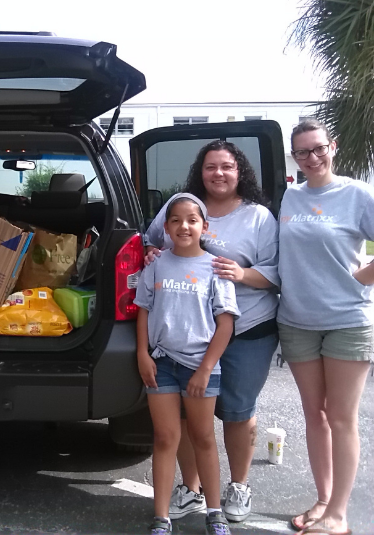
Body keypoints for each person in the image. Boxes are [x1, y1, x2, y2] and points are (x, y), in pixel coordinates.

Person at [144, 140, 280, 522]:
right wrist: (151, 253)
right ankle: (191, 488)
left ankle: (237, 486)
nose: (218, 173)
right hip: (188, 334)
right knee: (187, 416)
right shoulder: (182, 207)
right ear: (199, 172)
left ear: (240, 172)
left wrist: (242, 273)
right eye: (210, 167)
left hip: (246, 327)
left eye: (226, 166)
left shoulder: (258, 217)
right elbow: (150, 243)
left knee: (237, 411)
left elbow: (277, 270)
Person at [277, 119, 373, 535]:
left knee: (340, 417)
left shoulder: (357, 194)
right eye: (302, 152)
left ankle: (338, 513)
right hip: (297, 321)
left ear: (332, 147)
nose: (312, 158)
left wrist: (361, 277)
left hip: (346, 321)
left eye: (318, 149)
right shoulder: (290, 196)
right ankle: (322, 500)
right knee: (313, 415)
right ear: (294, 157)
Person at [135, 193, 239, 535]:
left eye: (192, 220)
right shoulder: (156, 265)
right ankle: (161, 518)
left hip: (200, 368)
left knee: (203, 437)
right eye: (176, 220)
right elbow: (143, 310)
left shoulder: (215, 267)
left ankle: (214, 512)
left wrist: (206, 368)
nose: (184, 226)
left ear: (204, 227)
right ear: (166, 227)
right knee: (166, 437)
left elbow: (225, 324)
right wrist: (142, 354)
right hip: (161, 363)